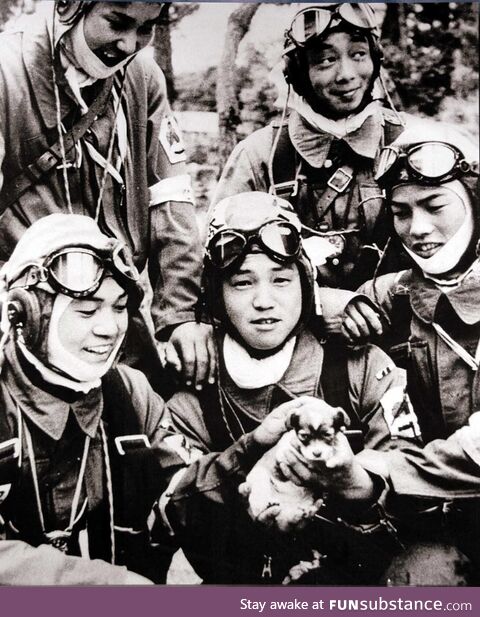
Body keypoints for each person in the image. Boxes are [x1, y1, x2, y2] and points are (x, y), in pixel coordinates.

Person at [162, 191, 420, 585]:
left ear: (306, 286)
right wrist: (246, 456)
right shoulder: (194, 389)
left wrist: (355, 481)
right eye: (242, 282)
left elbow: (413, 479)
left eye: (281, 280)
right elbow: (171, 507)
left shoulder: (363, 367)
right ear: (215, 296)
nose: (264, 301)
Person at [0, 1, 213, 394]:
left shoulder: (143, 78)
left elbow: (171, 201)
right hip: (27, 328)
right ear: (69, 5)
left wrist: (180, 315)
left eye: (147, 27)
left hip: (117, 325)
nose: (130, 43)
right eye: (117, 22)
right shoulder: (6, 73)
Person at [0, 213, 202, 585]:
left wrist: (251, 475)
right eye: (87, 310)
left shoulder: (131, 393)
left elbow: (186, 495)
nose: (109, 328)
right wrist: (105, 586)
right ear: (26, 314)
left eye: (120, 307)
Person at [336, 123, 480, 583]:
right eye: (401, 212)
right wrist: (331, 303)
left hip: (408, 478)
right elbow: (282, 315)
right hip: (441, 527)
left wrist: (379, 470)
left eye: (435, 205)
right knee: (416, 579)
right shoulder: (393, 295)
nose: (418, 229)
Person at [213, 3, 411, 292]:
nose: (346, 74)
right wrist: (314, 308)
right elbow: (222, 268)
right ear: (298, 73)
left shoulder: (411, 141)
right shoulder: (259, 156)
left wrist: (389, 289)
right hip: (290, 331)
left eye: (358, 54)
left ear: (376, 59)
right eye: (326, 60)